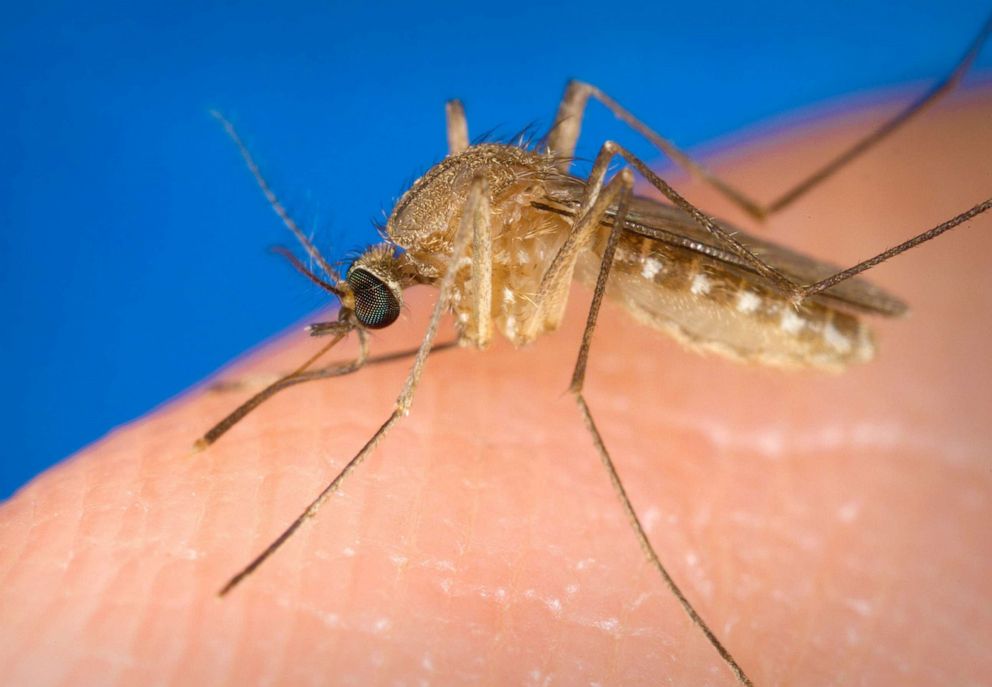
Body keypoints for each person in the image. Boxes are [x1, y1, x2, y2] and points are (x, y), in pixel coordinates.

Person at [1, 93, 990, 686]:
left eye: (373, 302)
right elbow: (438, 222)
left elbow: (480, 203)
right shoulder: (416, 248)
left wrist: (397, 399)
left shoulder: (442, 244)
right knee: (573, 138)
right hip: (553, 228)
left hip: (634, 249)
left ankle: (767, 225)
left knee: (598, 162)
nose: (373, 315)